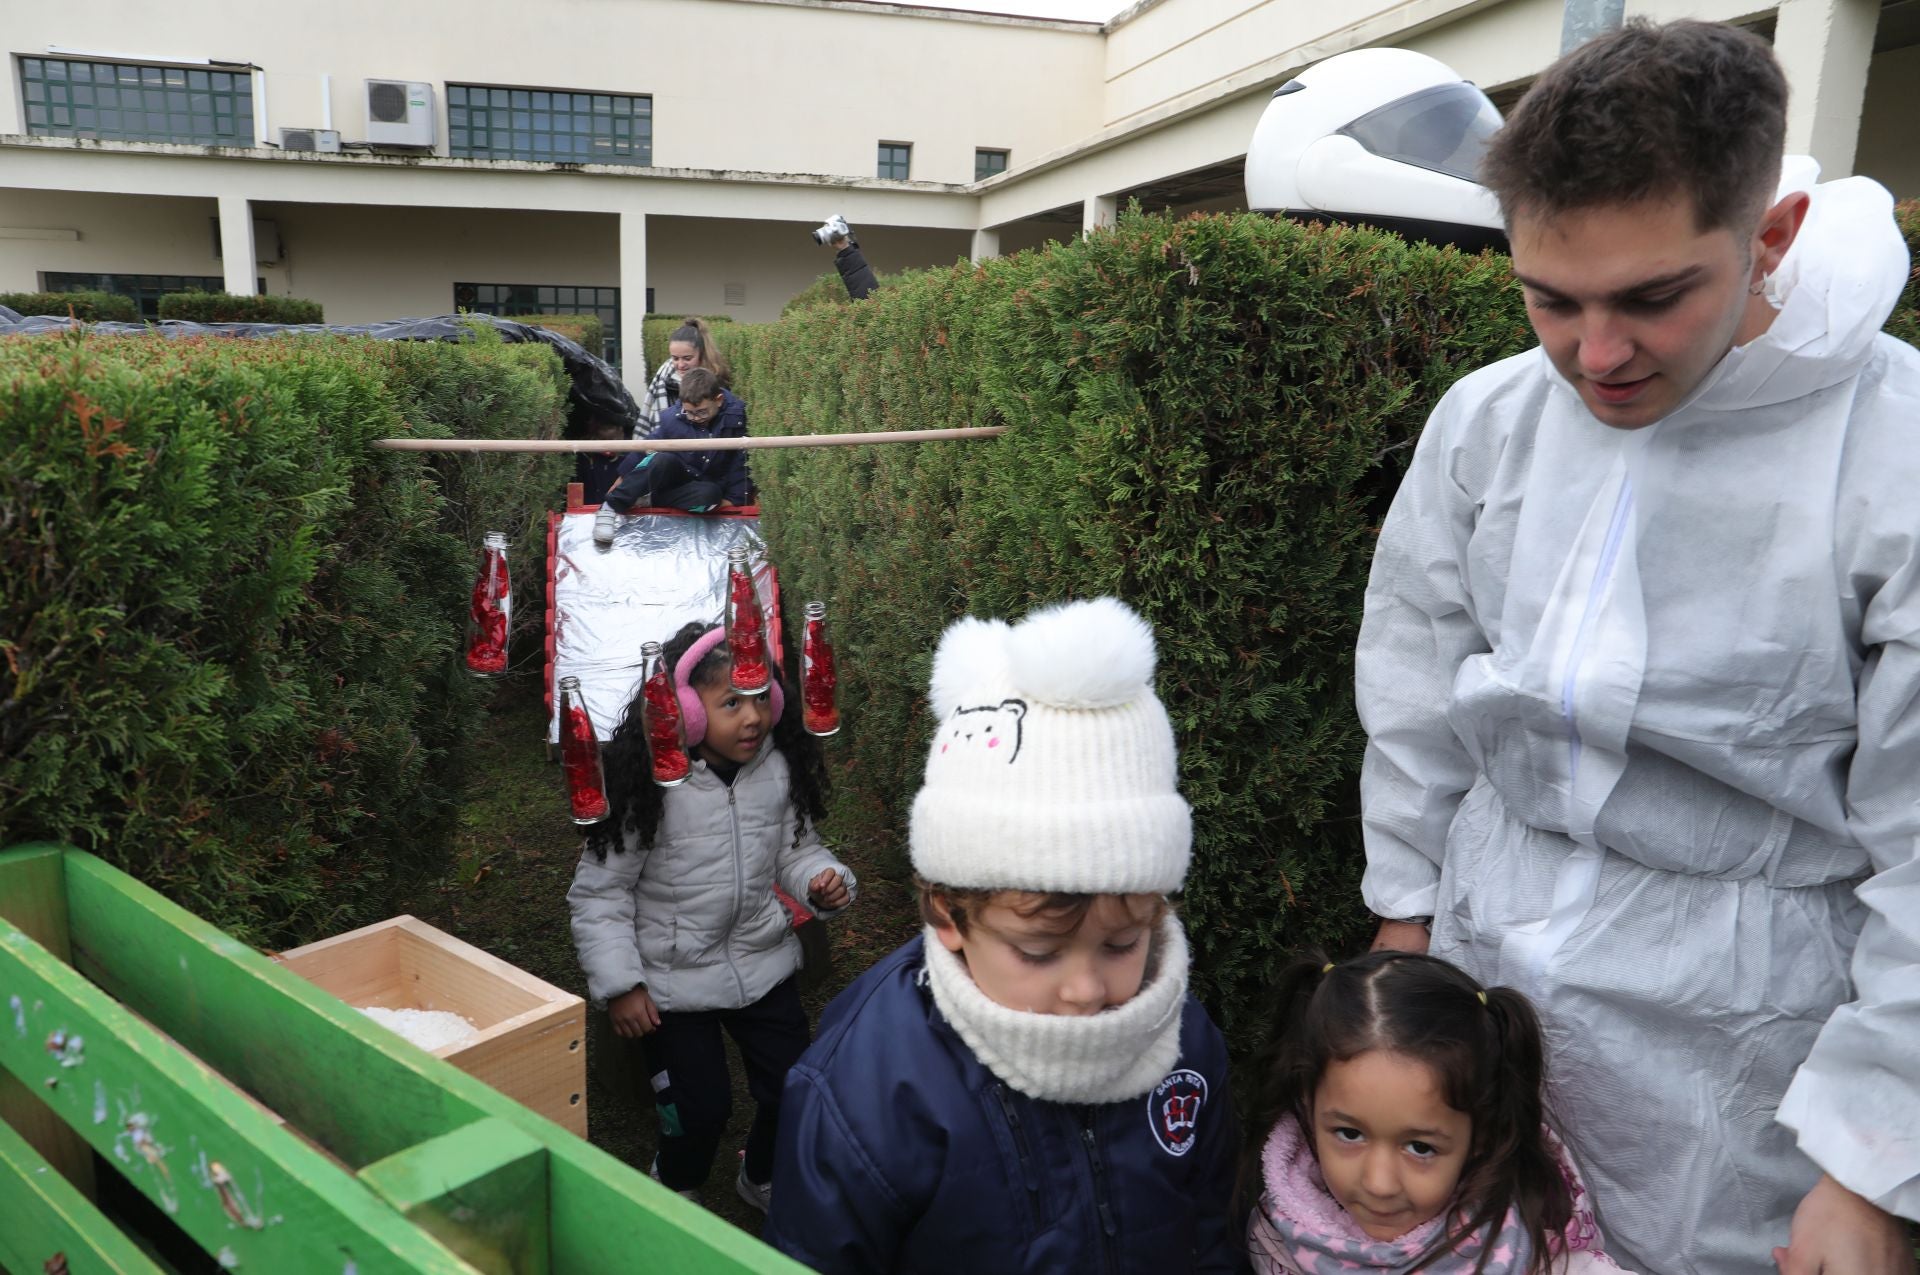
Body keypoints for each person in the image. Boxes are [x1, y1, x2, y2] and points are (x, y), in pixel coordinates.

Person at [1354, 19, 1918, 1275]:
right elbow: (1413, 686)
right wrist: (1406, 920)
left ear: (1769, 236)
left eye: (1652, 298)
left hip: (1745, 1060)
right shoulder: (1491, 420)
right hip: (1485, 984)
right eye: (1550, 299)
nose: (1594, 356)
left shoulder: (1895, 456)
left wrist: (1873, 1158)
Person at [764, 596, 1240, 1273]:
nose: (1086, 990)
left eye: (1123, 942)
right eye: (1039, 951)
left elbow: (1209, 1229)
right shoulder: (863, 1090)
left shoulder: (1185, 1043)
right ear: (947, 914)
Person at [567, 620, 857, 1210]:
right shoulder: (651, 790)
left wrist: (823, 882)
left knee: (794, 1087)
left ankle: (763, 1173)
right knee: (699, 1110)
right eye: (731, 702)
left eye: (759, 698)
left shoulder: (775, 768)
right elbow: (600, 894)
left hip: (761, 960)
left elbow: (797, 849)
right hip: (673, 984)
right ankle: (675, 1182)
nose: (752, 717)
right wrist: (622, 985)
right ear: (684, 713)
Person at [1243, 951, 1627, 1274]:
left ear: (1481, 1137)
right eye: (1349, 1134)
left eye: (1420, 1147)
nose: (1379, 1183)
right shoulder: (1278, 1234)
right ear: (1309, 1108)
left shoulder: (1541, 1245)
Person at [592, 367, 751, 545]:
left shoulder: (736, 420)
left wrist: (734, 499)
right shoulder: (673, 419)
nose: (695, 418)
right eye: (689, 412)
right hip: (676, 475)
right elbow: (648, 446)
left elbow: (741, 463)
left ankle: (649, 499)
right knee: (661, 458)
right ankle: (610, 507)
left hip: (703, 488)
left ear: (719, 400)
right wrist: (623, 479)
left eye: (702, 412)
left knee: (709, 495)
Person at [639, 316, 732, 436]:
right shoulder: (666, 378)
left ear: (702, 354)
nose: (680, 365)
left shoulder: (716, 379)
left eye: (687, 358)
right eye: (675, 358)